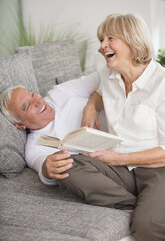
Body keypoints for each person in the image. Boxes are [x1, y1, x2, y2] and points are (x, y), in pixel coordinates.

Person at [57, 13, 165, 241]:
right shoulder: (110, 75)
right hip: (122, 170)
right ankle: (139, 204)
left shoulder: (161, 84)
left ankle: (148, 211)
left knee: (146, 227)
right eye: (100, 40)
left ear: (132, 40)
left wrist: (119, 159)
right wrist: (90, 107)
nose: (102, 46)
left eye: (110, 38)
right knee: (66, 166)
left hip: (157, 167)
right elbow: (99, 92)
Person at [0, 73, 107, 185]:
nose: (37, 101)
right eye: (27, 106)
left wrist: (91, 106)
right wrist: (47, 170)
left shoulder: (58, 92)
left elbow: (103, 76)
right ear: (20, 125)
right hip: (115, 153)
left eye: (32, 94)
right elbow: (43, 169)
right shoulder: (34, 147)